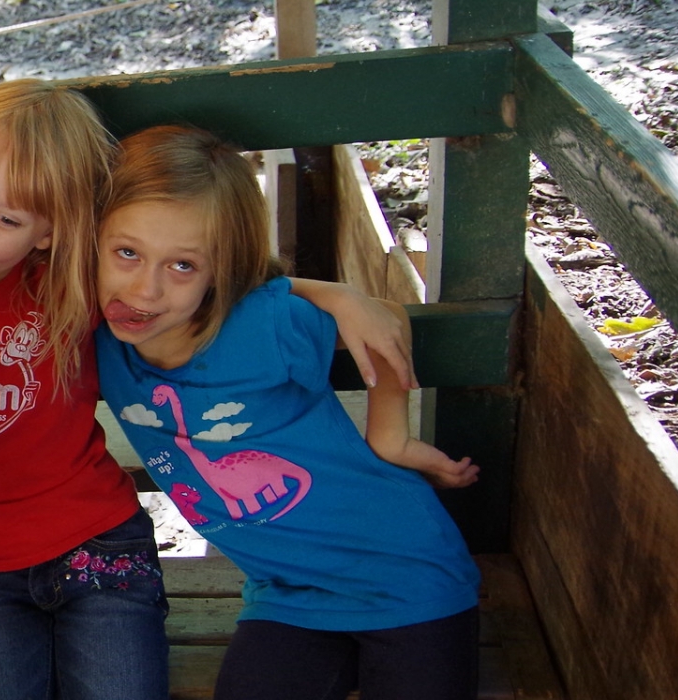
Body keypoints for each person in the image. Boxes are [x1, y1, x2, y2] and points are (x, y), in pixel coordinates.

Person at [0, 80, 418, 700]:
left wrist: (333, 293)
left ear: (50, 231)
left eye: (7, 218)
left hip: (99, 547)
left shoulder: (75, 280)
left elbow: (216, 276)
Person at [93, 125, 481, 700]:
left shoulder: (262, 328)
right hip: (287, 595)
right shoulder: (96, 335)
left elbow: (387, 321)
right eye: (127, 253)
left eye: (182, 266)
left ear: (220, 271)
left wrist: (390, 439)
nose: (145, 290)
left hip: (404, 575)